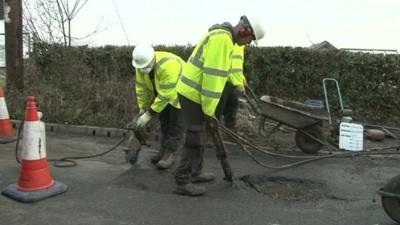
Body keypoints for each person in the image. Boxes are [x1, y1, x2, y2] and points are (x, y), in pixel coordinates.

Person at [174, 15, 265, 196]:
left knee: (201, 133)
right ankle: (182, 180)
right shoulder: (223, 40)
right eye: (250, 40)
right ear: (245, 31)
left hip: (194, 92)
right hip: (192, 93)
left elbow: (222, 73)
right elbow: (212, 77)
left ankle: (195, 172)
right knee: (195, 135)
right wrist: (209, 110)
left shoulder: (223, 37)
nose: (247, 44)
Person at [131, 43, 185, 169]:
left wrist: (148, 114)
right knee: (164, 122)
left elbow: (167, 94)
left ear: (152, 58)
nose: (143, 69)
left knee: (175, 125)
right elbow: (141, 87)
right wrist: (142, 108)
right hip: (165, 92)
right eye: (141, 66)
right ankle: (162, 151)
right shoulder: (140, 66)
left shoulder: (168, 65)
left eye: (146, 66)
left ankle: (170, 154)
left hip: (184, 93)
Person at [215, 44, 246, 130]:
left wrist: (242, 79)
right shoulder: (231, 42)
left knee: (233, 103)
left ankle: (230, 128)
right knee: (219, 106)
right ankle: (212, 130)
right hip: (221, 80)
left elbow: (237, 66)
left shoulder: (240, 46)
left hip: (231, 82)